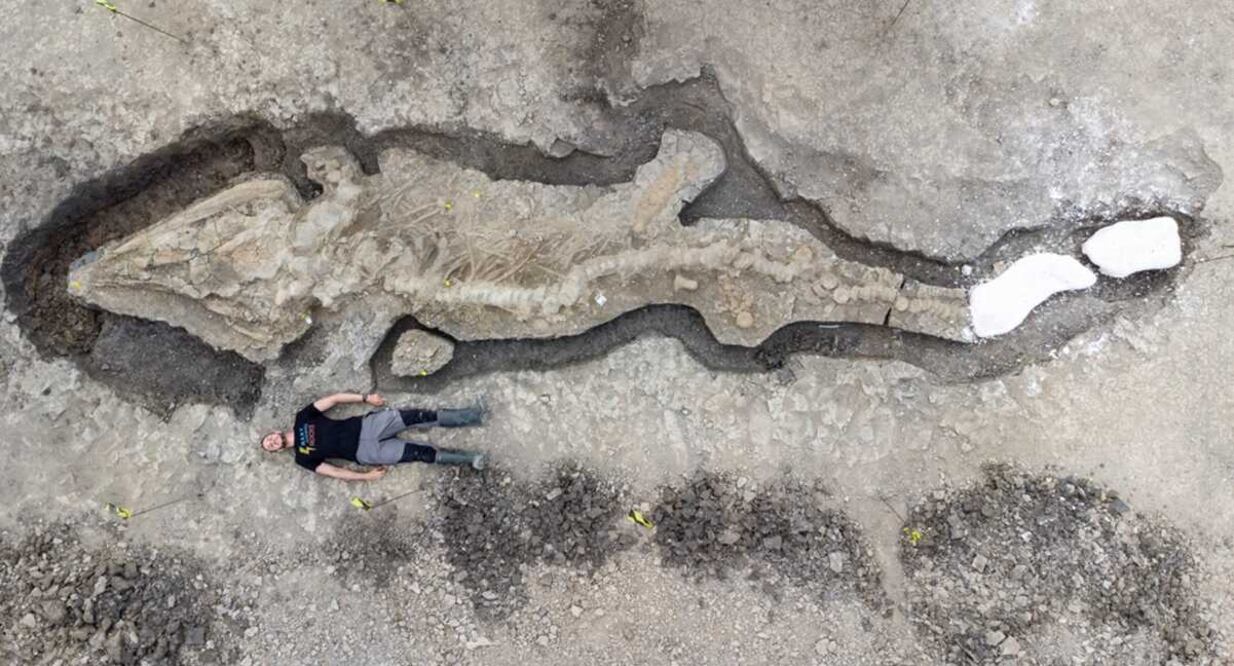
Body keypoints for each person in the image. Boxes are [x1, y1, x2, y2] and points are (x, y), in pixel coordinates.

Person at [260, 392, 486, 481]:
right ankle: (472, 458)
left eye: (268, 439)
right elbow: (335, 472)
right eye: (270, 446)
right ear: (278, 449)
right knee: (419, 453)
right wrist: (366, 477)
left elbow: (334, 399)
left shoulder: (302, 417)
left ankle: (474, 415)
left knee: (418, 416)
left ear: (274, 432)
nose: (271, 442)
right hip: (365, 453)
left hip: (368, 426)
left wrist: (365, 398)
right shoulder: (302, 458)